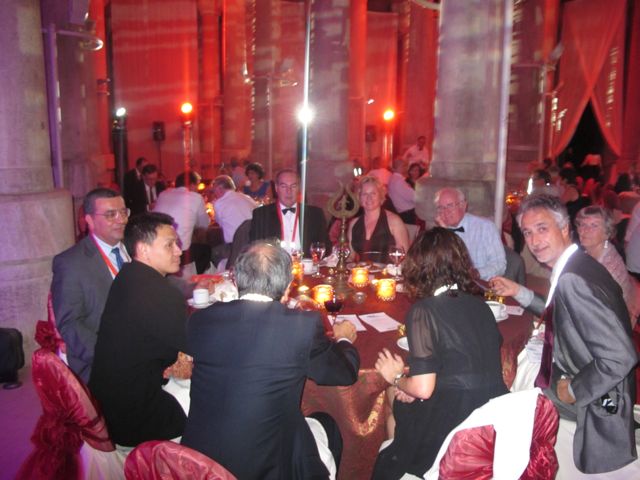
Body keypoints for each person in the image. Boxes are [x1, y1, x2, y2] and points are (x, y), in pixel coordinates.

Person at [181, 241, 359, 479]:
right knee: (328, 424)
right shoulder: (301, 327)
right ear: (287, 288)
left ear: (236, 281)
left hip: (196, 465)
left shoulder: (200, 320)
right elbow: (344, 373)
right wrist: (344, 339)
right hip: (266, 469)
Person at [490, 194, 637, 476]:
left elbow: (620, 358)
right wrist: (518, 291)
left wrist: (572, 390)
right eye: (527, 233)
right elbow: (560, 312)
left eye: (542, 228)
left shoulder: (573, 278)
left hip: (601, 401)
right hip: (592, 378)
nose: (534, 241)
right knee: (520, 371)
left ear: (565, 228)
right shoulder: (578, 263)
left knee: (508, 394)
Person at [371, 228, 508, 479]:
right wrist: (413, 386)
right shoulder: (481, 306)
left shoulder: (424, 311)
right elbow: (466, 361)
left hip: (453, 429)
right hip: (492, 419)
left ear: (418, 266)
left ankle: (404, 467)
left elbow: (424, 389)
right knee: (403, 399)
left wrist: (397, 377)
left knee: (392, 397)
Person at [89, 212, 188, 447]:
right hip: (135, 417)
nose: (179, 251)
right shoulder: (160, 294)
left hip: (106, 403)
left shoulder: (128, 276)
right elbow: (197, 347)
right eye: (170, 245)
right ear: (143, 250)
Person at [51, 188, 130, 383]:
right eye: (111, 214)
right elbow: (70, 324)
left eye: (123, 212)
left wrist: (192, 284)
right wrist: (111, 357)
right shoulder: (71, 263)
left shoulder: (134, 247)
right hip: (101, 361)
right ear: (90, 220)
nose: (121, 220)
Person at [575, 206, 639, 323]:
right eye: (582, 224)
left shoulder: (607, 266)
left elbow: (598, 312)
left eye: (594, 225)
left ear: (607, 233)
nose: (586, 230)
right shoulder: (598, 250)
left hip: (616, 321)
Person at [249, 168, 330, 256]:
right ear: (276, 188)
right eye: (284, 186)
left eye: (293, 186)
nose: (289, 191)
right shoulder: (261, 214)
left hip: (306, 263)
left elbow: (325, 248)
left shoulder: (315, 214)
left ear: (299, 188)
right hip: (275, 264)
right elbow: (255, 249)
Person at [433, 187, 506, 280]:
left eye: (450, 205)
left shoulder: (485, 227)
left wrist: (476, 274)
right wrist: (443, 232)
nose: (445, 212)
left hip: (478, 284)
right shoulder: (439, 231)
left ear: (463, 206)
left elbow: (499, 265)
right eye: (441, 207)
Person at [154, 171, 211, 275]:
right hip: (180, 252)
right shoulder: (196, 197)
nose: (198, 189)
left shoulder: (163, 194)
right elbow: (204, 224)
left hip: (156, 247)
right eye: (197, 185)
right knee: (206, 250)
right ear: (192, 184)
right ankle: (196, 278)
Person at [348, 175, 409, 263]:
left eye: (373, 193)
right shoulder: (354, 224)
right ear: (359, 197)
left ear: (381, 196)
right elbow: (350, 256)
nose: (369, 198)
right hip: (361, 271)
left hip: (388, 271)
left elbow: (404, 258)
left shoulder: (394, 221)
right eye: (365, 194)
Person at [209, 175, 257, 266]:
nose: (214, 194)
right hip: (255, 243)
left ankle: (225, 271)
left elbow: (219, 223)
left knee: (211, 253)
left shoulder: (219, 203)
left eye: (214, 191)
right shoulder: (247, 198)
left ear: (220, 189)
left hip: (236, 247)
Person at [387, 158, 417, 224]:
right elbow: (413, 197)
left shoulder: (393, 178)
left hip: (402, 213)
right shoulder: (398, 181)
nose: (406, 168)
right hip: (406, 214)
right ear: (399, 167)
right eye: (404, 166)